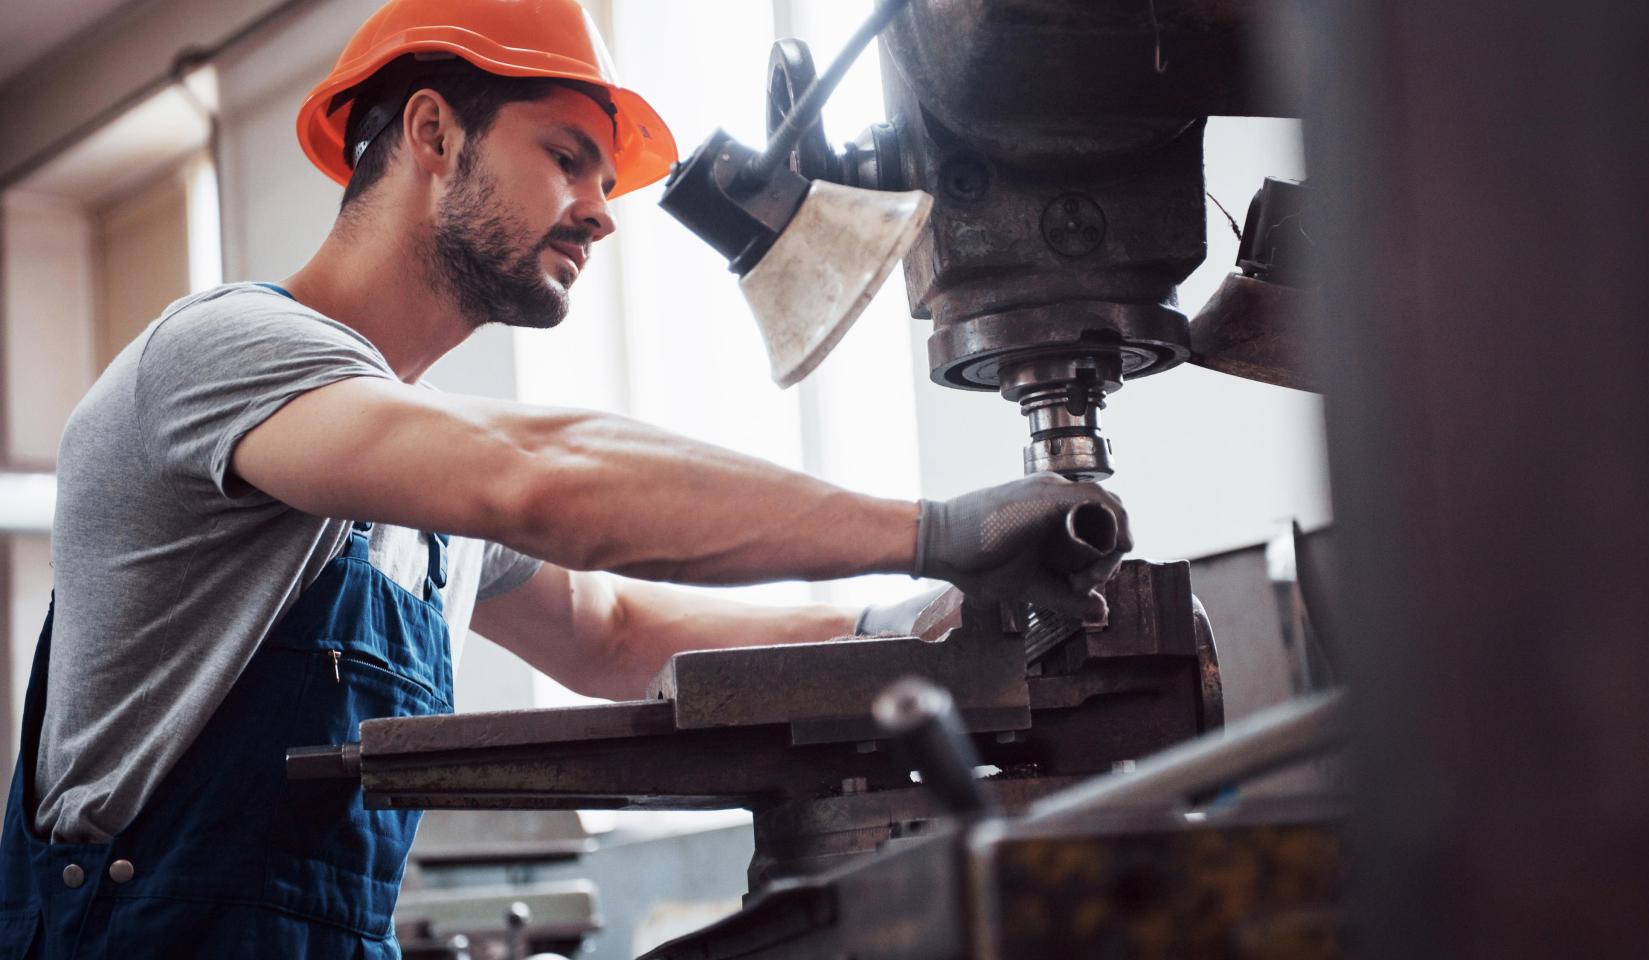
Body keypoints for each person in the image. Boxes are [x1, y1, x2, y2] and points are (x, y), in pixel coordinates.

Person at [0, 0, 1129, 955]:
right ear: (434, 133)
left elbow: (612, 628)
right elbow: (542, 478)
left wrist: (902, 616)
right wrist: (929, 529)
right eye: (565, 157)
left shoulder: (408, 461)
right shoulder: (228, 353)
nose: (600, 210)